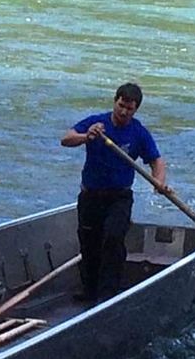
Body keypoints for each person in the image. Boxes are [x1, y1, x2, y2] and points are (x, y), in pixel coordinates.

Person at [60, 83, 168, 303]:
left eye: (129, 109)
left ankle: (109, 294)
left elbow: (156, 160)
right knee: (89, 243)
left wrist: (158, 183)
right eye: (121, 106)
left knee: (113, 238)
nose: (124, 112)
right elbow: (66, 139)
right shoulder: (95, 123)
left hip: (119, 198)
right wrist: (85, 137)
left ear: (135, 110)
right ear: (115, 101)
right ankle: (90, 291)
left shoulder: (138, 132)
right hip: (90, 196)